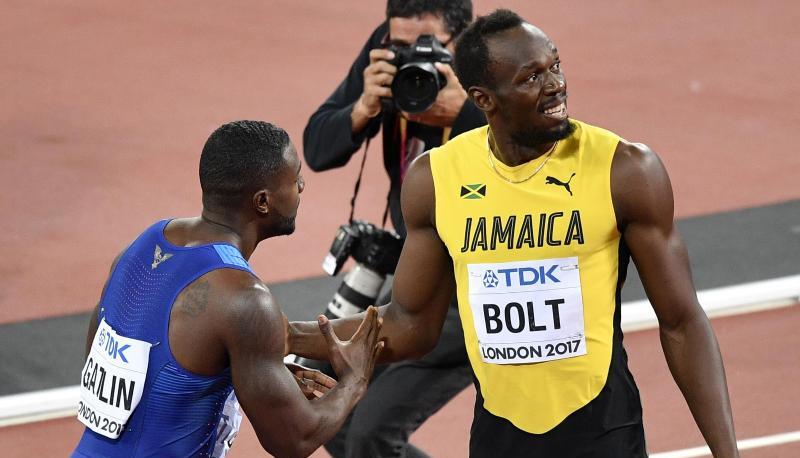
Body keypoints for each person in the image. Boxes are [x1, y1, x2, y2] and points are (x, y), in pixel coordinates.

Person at [289, 10, 741, 458]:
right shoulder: (436, 178)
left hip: (604, 436)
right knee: (362, 432)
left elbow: (682, 323)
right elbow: (410, 326)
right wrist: (284, 336)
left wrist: (727, 453)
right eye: (531, 78)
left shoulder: (623, 169)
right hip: (498, 442)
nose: (557, 85)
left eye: (556, 66)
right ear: (484, 98)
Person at [72, 120, 383, 458]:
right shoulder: (244, 299)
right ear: (262, 202)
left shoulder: (140, 247)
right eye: (295, 179)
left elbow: (105, 359)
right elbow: (295, 439)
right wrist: (354, 380)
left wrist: (231, 376)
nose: (302, 186)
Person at [302, 1, 482, 457]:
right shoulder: (389, 50)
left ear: (460, 39)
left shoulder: (495, 61)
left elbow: (545, 161)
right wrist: (362, 107)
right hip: (418, 275)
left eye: (427, 45)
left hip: (479, 286)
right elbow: (317, 148)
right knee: (323, 404)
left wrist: (467, 118)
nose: (410, 56)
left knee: (369, 436)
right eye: (400, 43)